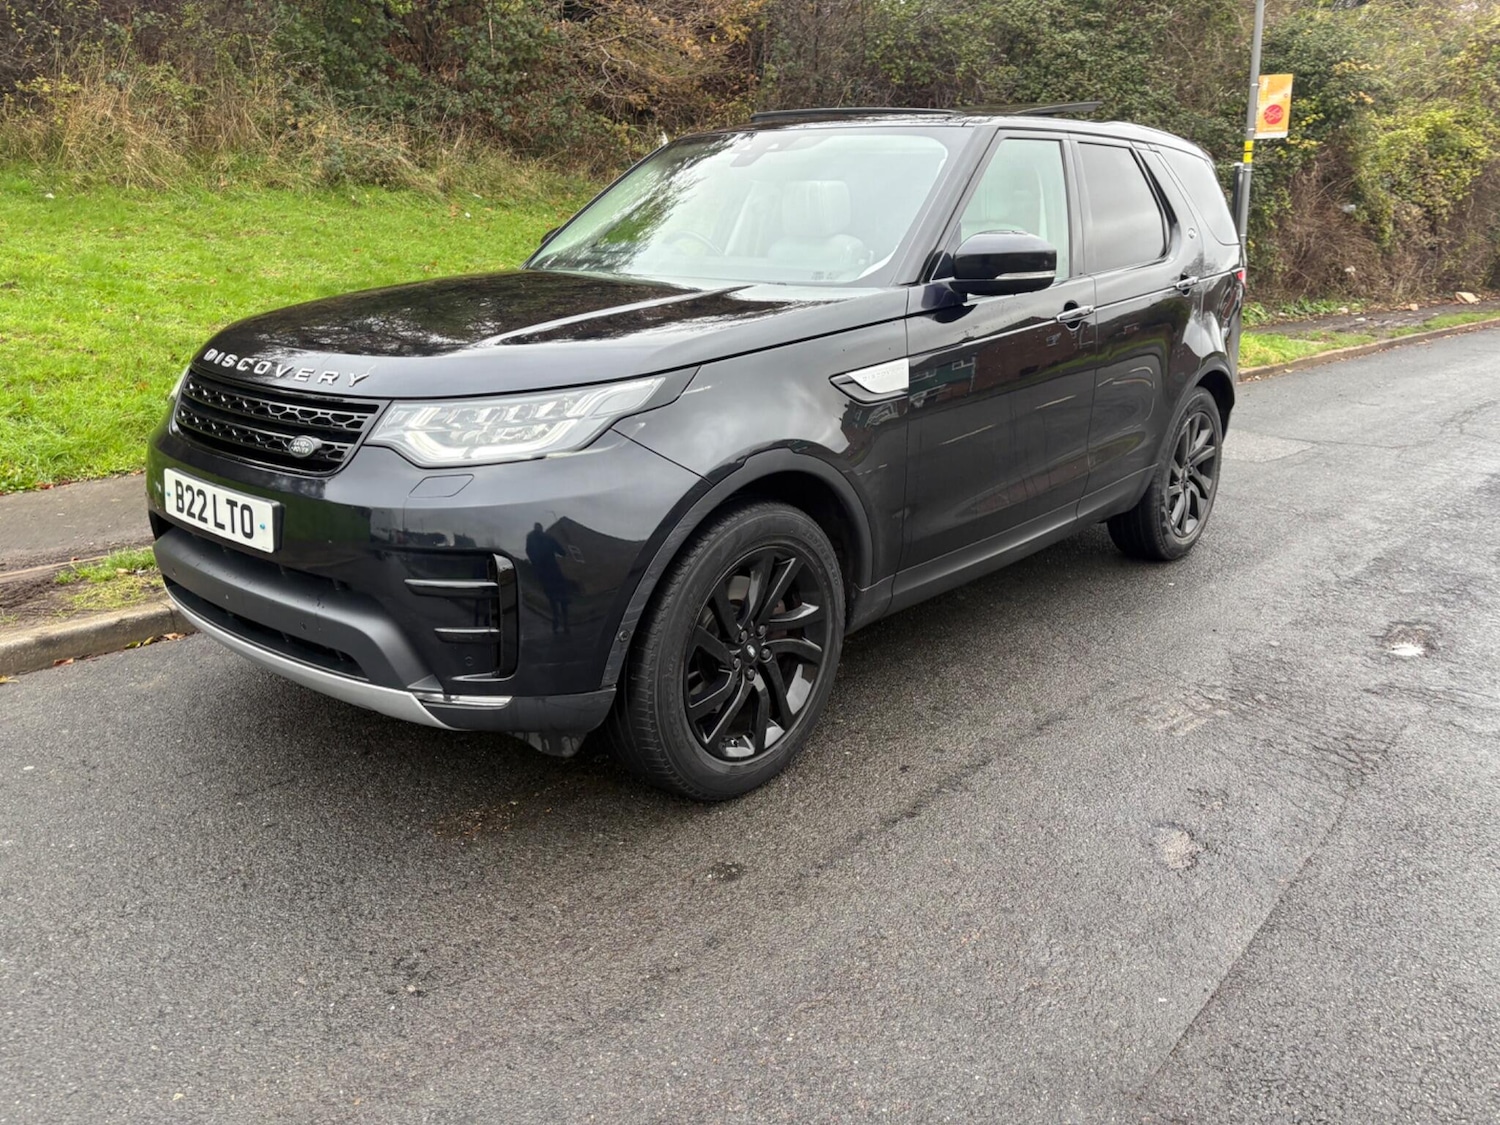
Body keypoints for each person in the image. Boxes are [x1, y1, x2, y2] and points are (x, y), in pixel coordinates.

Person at [525, 522, 571, 633]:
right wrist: (563, 551)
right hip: (554, 571)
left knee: (552, 598)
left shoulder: (531, 539)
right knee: (562, 597)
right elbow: (562, 552)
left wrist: (535, 564)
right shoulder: (548, 538)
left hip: (544, 574)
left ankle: (556, 619)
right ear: (541, 529)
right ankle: (565, 622)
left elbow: (528, 552)